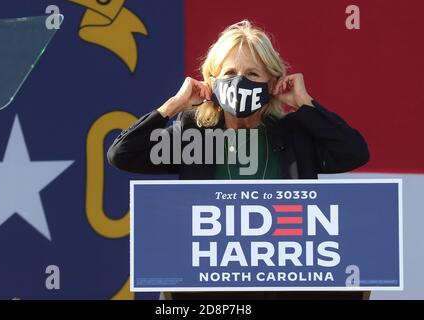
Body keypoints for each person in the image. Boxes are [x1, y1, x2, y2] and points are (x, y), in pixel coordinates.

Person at [107, 20, 370, 300]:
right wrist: (174, 105)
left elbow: (354, 152)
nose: (239, 81)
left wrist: (304, 101)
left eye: (252, 73)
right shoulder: (194, 134)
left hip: (283, 286)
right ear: (212, 81)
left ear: (272, 82)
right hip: (209, 292)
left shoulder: (295, 135)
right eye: (229, 72)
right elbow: (122, 154)